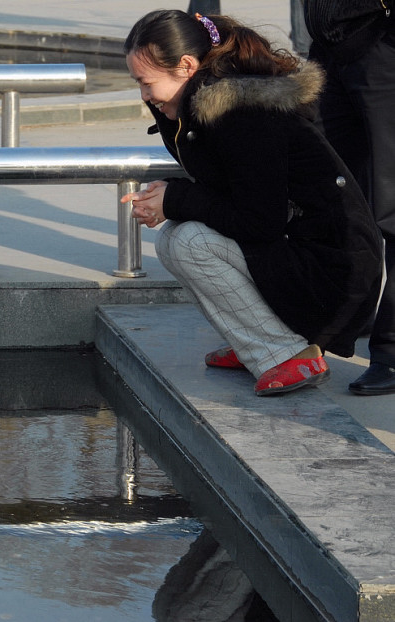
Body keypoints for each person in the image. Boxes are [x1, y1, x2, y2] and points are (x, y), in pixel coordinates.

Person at [121, 10, 383, 397]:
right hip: (303, 253)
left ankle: (285, 354)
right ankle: (255, 346)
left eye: (146, 83)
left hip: (334, 273)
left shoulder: (241, 112)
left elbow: (260, 221)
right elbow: (235, 191)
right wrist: (170, 194)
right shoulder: (202, 103)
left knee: (187, 242)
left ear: (186, 66)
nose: (144, 95)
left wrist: (176, 198)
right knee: (178, 237)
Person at [302, 1, 395, 396]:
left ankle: (391, 352)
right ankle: (353, 314)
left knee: (391, 207)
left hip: (383, 45)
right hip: (329, 47)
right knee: (331, 194)